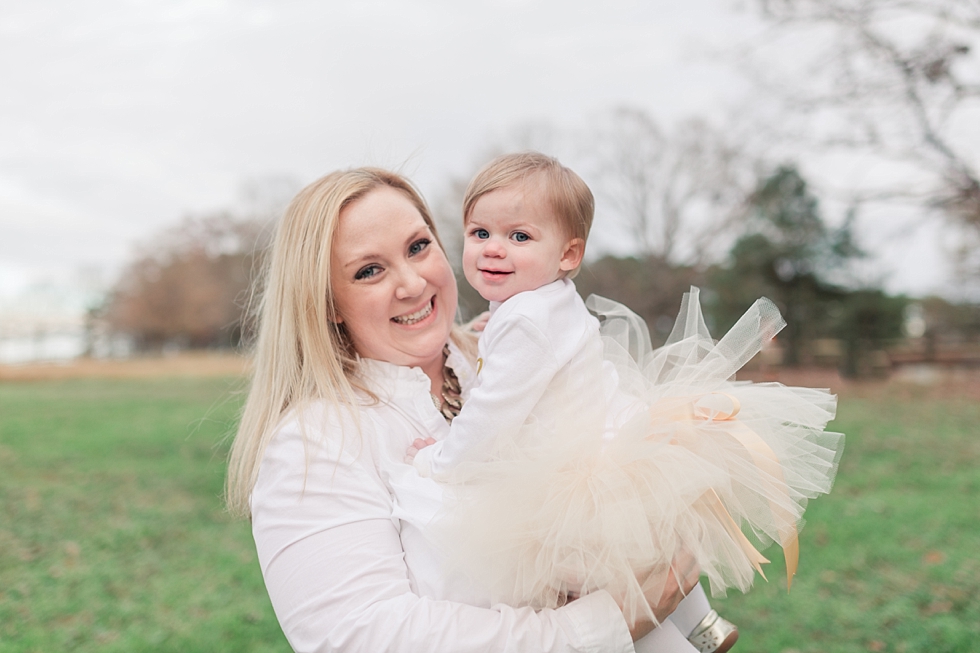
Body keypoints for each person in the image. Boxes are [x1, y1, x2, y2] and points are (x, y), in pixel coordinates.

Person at [225, 166, 706, 653]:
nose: (412, 283)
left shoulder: (503, 360)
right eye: (369, 271)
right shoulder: (316, 440)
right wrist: (608, 623)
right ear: (327, 302)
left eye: (418, 247)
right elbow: (357, 634)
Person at [406, 153, 842, 651]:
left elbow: (490, 418)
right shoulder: (548, 298)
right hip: (621, 441)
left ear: (569, 254)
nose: (494, 249)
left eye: (519, 237)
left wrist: (435, 459)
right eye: (480, 233)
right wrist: (491, 331)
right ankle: (704, 627)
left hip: (573, 472)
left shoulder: (522, 321)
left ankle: (681, 643)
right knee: (648, 556)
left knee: (608, 594)